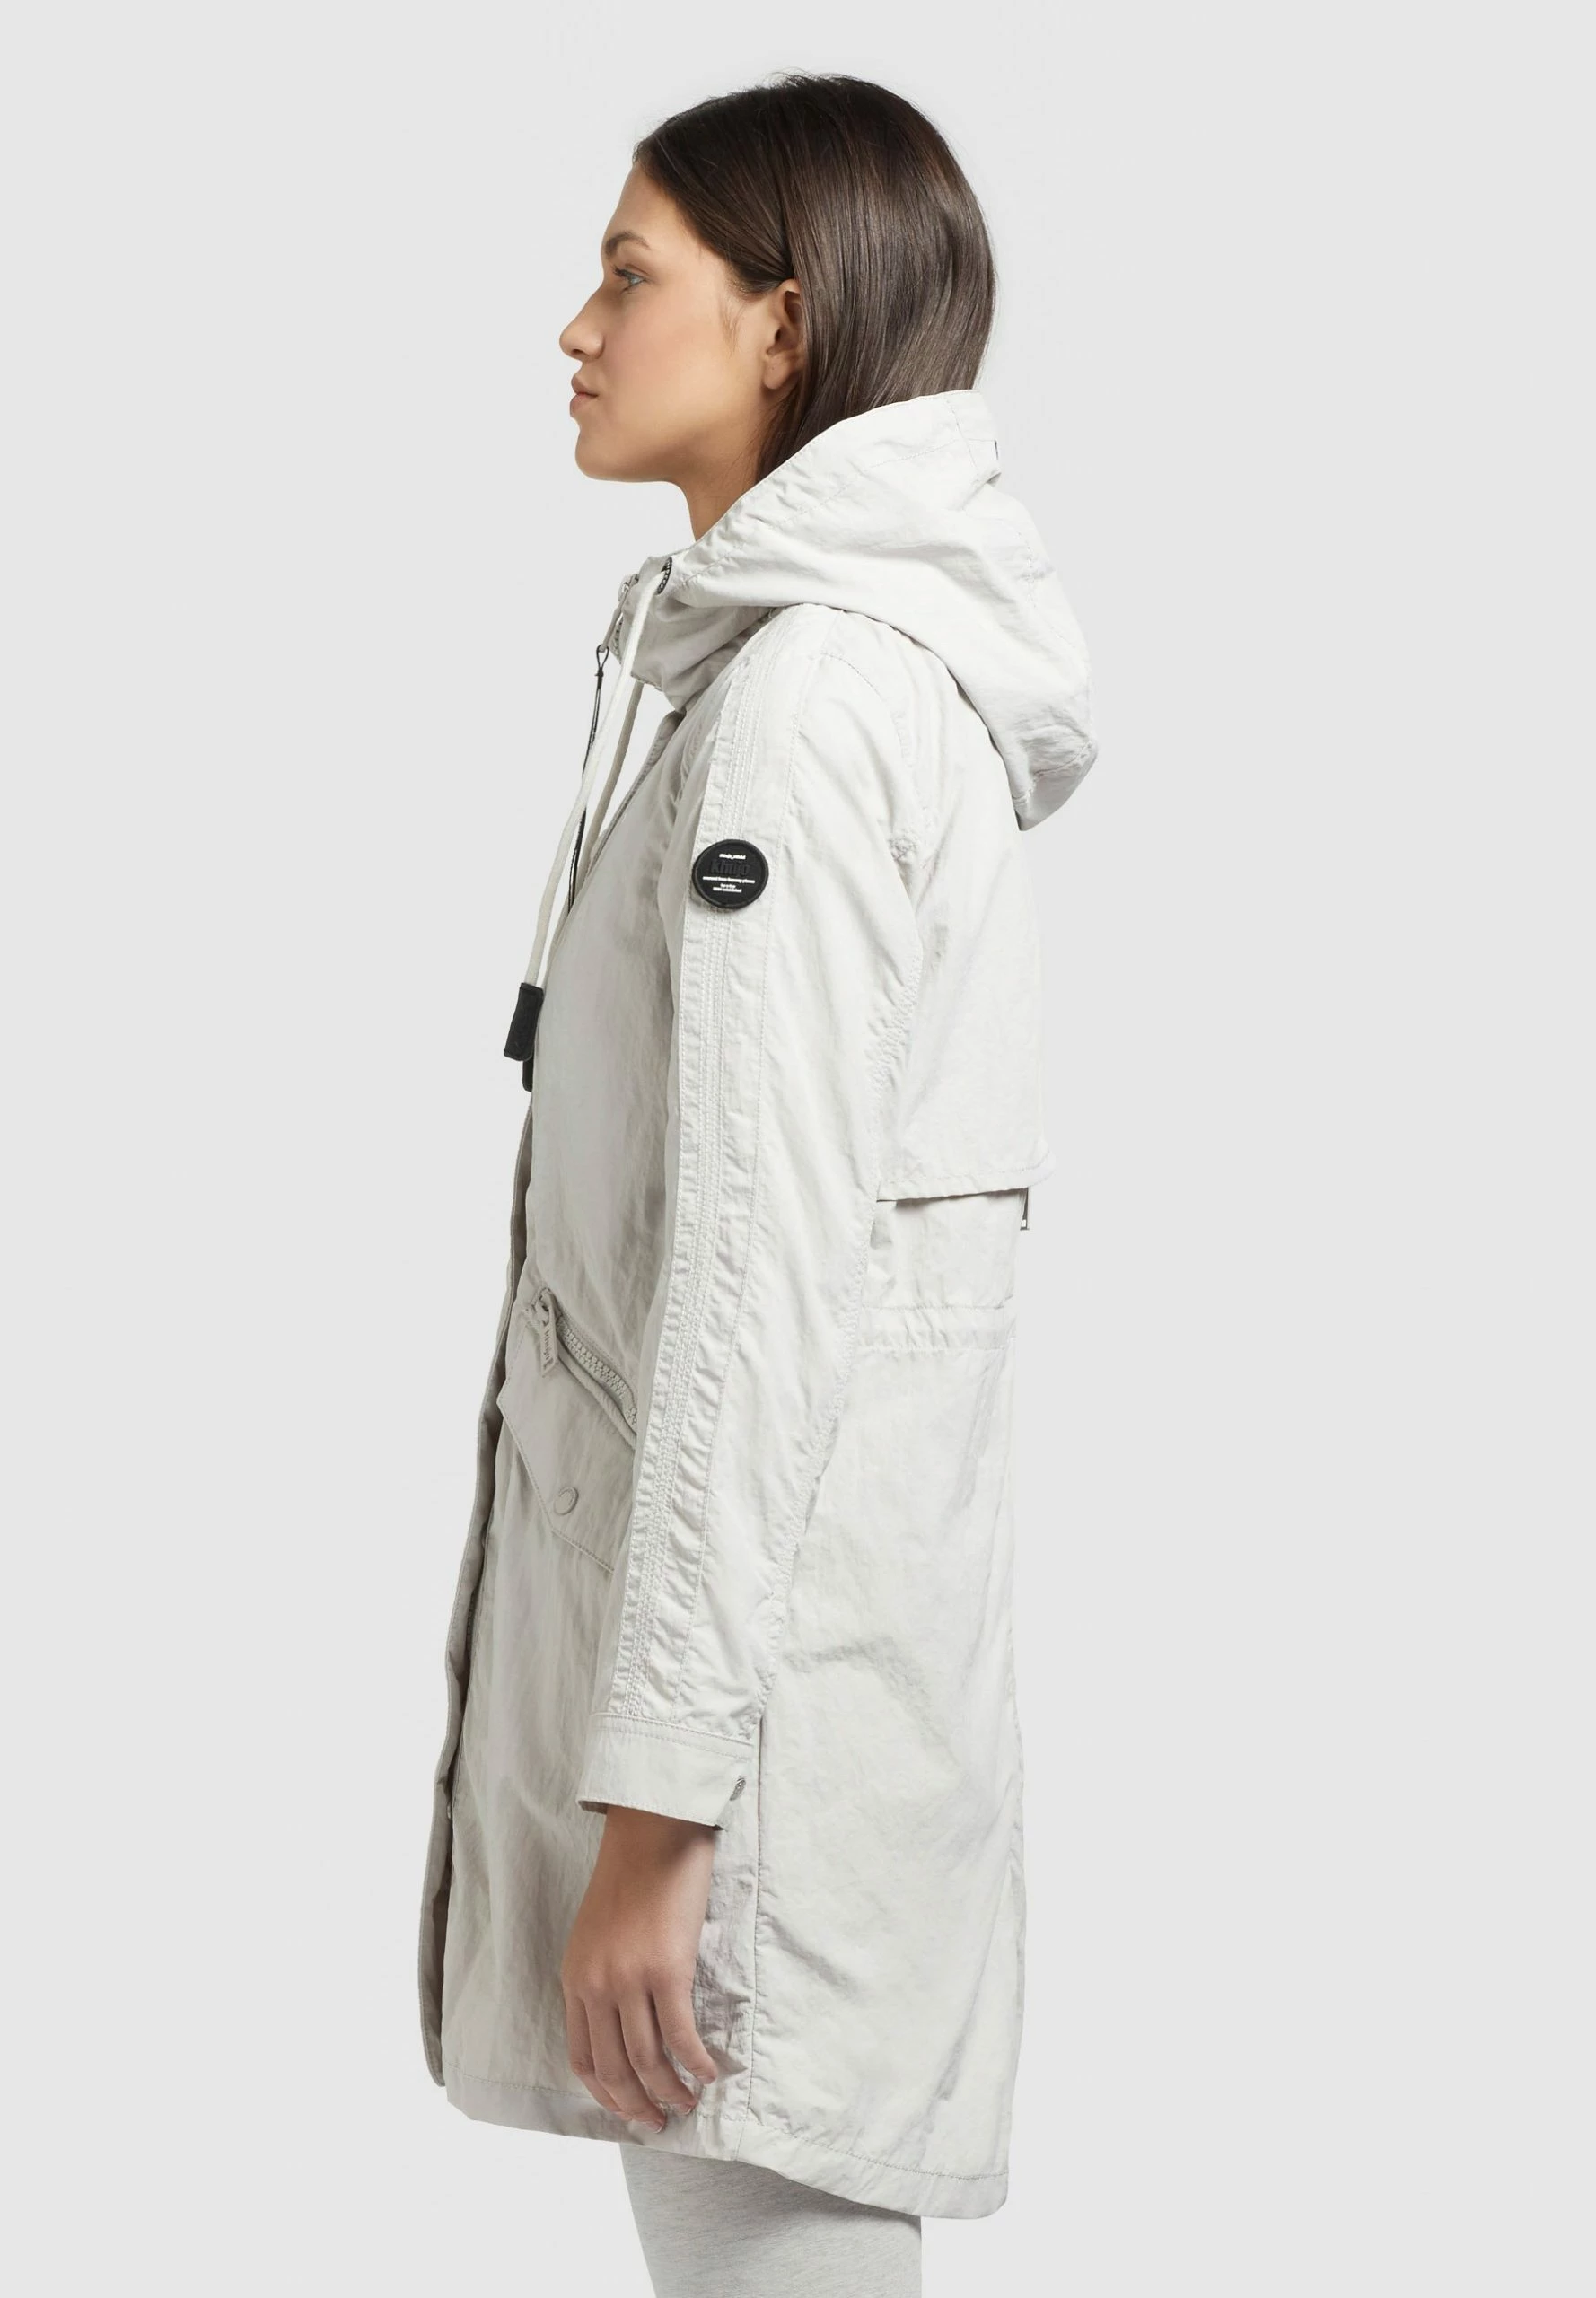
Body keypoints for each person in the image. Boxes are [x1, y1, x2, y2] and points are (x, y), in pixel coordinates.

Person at [417, 70, 1098, 2298]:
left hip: (760, 1789)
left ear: (783, 327)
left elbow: (754, 1277)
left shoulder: (802, 714)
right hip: (794, 1741)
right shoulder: (817, 687)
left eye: (629, 273)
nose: (576, 327)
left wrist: (658, 1805)